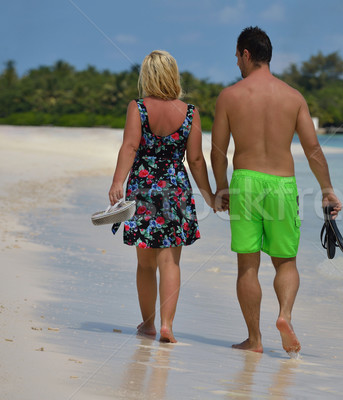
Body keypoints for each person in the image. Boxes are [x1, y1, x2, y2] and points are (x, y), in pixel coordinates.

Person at [211, 26, 342, 356]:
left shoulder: (230, 96)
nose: (236, 63)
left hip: (245, 182)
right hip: (283, 184)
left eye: (237, 56)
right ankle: (284, 316)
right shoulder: (293, 97)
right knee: (286, 263)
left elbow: (217, 151)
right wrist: (327, 189)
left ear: (246, 54)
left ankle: (255, 340)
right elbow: (313, 150)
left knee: (248, 266)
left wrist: (221, 188)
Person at [109, 50, 215, 343]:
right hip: (175, 189)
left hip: (143, 188)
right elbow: (195, 160)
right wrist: (208, 194)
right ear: (173, 75)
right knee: (171, 263)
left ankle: (148, 324)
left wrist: (118, 181)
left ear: (147, 76)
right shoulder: (190, 112)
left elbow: (129, 147)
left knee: (145, 264)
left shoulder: (138, 108)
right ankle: (168, 324)